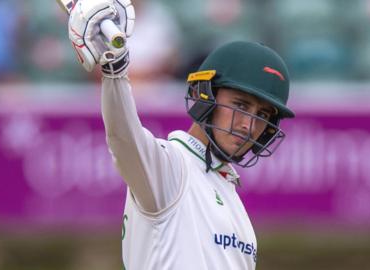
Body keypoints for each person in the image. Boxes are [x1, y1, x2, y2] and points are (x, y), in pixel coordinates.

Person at [67, 0, 294, 269]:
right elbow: (123, 138)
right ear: (204, 94)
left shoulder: (232, 199)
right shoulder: (171, 170)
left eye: (262, 116)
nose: (248, 125)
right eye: (240, 105)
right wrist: (115, 73)